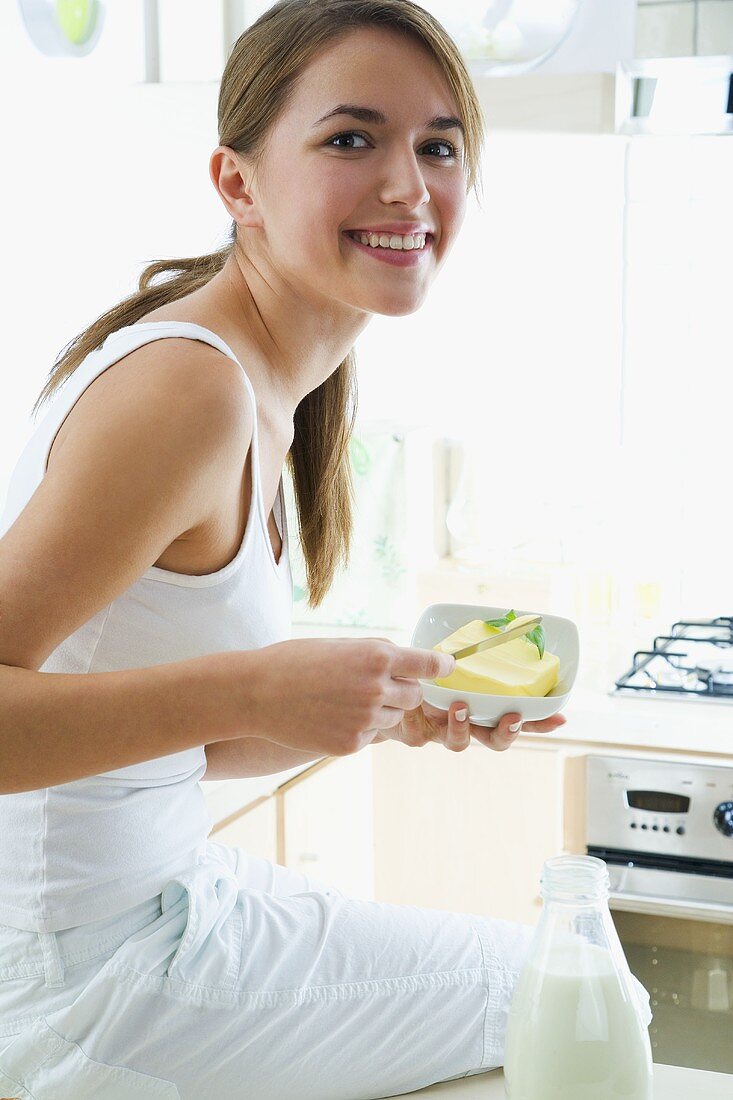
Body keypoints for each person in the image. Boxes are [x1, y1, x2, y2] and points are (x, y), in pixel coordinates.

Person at [0, 1, 566, 1096]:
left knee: (559, 982)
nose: (408, 184)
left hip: (148, 916)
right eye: (351, 138)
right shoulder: (189, 388)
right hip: (76, 980)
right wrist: (257, 681)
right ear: (238, 185)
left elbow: (147, 746)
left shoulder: (268, 383)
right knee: (570, 990)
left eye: (437, 144)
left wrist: (360, 707)